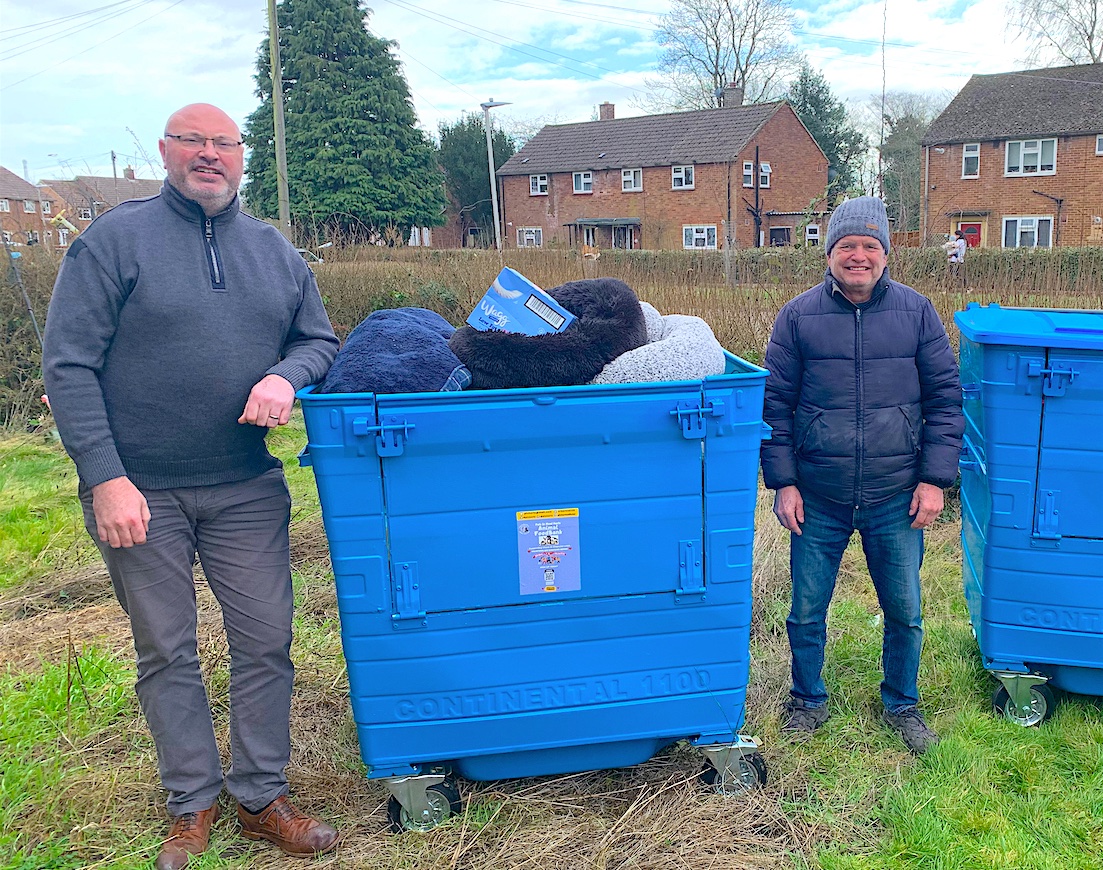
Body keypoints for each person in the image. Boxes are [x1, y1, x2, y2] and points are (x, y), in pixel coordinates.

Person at [43, 104, 341, 868]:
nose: (208, 155)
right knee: (167, 649)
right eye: (192, 141)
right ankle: (191, 805)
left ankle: (258, 797)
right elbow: (68, 366)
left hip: (245, 485)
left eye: (223, 143)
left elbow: (318, 341)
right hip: (140, 492)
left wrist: (285, 374)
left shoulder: (276, 252)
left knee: (267, 641)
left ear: (242, 157)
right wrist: (105, 477)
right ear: (165, 151)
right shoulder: (112, 242)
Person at [760, 196, 963, 755]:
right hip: (818, 496)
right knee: (804, 609)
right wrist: (785, 482)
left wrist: (933, 481)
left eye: (870, 246)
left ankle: (902, 702)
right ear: (829, 253)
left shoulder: (917, 313)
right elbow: (775, 406)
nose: (858, 256)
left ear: (886, 254)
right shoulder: (797, 317)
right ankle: (807, 699)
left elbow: (946, 401)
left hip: (895, 495)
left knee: (905, 611)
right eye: (847, 245)